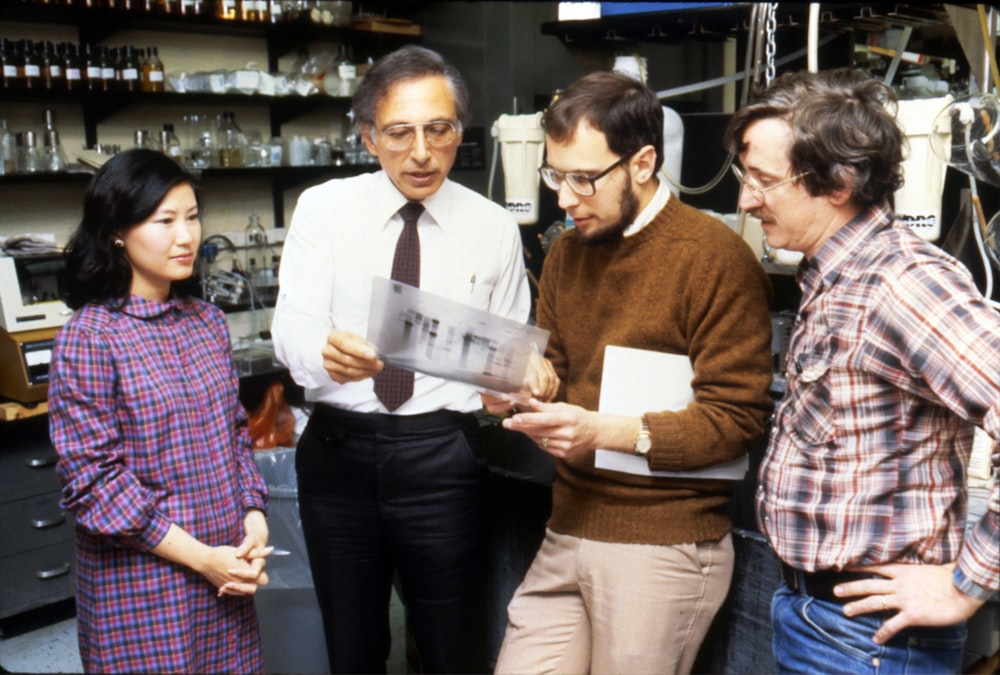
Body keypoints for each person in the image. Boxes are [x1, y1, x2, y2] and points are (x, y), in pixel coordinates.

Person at [270, 44, 555, 674]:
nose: (421, 152)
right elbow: (291, 323)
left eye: (439, 129)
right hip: (339, 453)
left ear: (460, 131)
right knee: (354, 645)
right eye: (400, 133)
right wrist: (323, 352)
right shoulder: (324, 207)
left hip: (444, 457)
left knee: (454, 643)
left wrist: (520, 380)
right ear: (370, 137)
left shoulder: (493, 227)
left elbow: (504, 358)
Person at [490, 70, 775, 675]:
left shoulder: (715, 258)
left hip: (664, 541)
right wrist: (519, 394)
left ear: (643, 163)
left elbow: (734, 420)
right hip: (569, 526)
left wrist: (601, 430)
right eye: (554, 175)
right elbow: (560, 375)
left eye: (583, 179)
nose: (563, 199)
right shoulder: (567, 252)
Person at [723, 67, 1000, 674]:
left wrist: (966, 584)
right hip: (819, 615)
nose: (745, 199)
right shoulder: (834, 274)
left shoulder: (901, 284)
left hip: (868, 641)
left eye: (764, 181)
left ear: (840, 181)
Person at [47, 148, 272, 674]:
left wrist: (254, 519)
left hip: (226, 571)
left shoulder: (207, 322)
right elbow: (93, 483)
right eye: (164, 220)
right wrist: (203, 559)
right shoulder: (89, 337)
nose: (187, 236)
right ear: (116, 232)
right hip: (145, 585)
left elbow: (234, 435)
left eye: (192, 217)